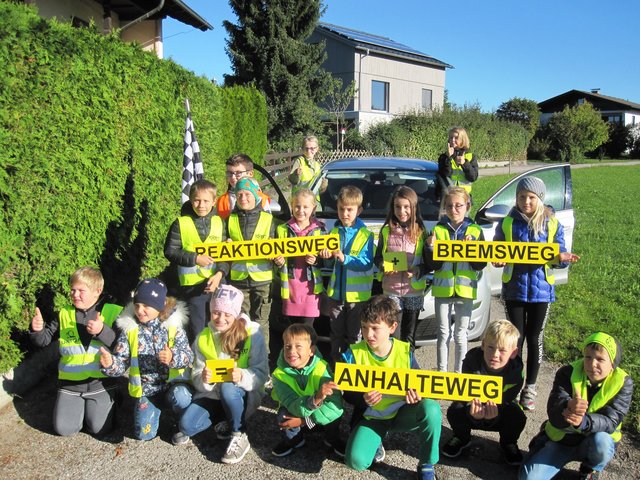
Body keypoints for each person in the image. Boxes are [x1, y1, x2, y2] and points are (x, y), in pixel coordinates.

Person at [493, 176, 580, 410]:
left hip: (542, 291)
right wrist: (497, 259)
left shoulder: (552, 223)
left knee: (534, 339)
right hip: (514, 290)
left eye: (531, 197)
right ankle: (511, 386)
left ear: (540, 199)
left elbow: (561, 256)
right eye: (522, 197)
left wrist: (561, 259)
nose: (526, 202)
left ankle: (530, 388)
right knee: (515, 340)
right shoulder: (508, 222)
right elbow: (497, 248)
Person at [342, 296, 441, 480]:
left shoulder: (404, 352)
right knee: (356, 461)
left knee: (432, 409)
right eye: (364, 327)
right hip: (374, 417)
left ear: (392, 327)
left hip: (403, 413)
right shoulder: (353, 354)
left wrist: (416, 396)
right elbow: (346, 393)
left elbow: (419, 384)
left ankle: (427, 463)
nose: (368, 334)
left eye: (374, 328)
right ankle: (376, 438)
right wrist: (361, 397)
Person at [173, 285, 268, 465]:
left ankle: (239, 433)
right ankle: (225, 419)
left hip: (240, 393)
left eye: (227, 314)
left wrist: (243, 376)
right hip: (212, 394)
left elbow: (262, 375)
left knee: (227, 387)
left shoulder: (252, 334)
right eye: (216, 312)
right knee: (186, 426)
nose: (221, 318)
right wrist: (203, 379)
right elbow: (195, 374)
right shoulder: (203, 337)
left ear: (236, 313)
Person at [520, 332, 634, 480]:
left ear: (612, 364)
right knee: (528, 478)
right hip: (562, 440)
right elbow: (553, 409)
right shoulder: (567, 372)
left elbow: (612, 420)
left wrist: (584, 422)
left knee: (603, 442)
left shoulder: (623, 382)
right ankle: (544, 445)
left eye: (600, 359)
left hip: (593, 442)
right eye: (588, 357)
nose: (593, 364)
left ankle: (590, 468)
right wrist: (567, 406)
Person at [29, 266, 123, 437]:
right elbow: (43, 340)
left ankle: (113, 398)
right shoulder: (64, 313)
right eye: (72, 290)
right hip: (70, 384)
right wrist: (37, 330)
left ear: (97, 291)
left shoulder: (113, 311)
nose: (75, 294)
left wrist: (102, 330)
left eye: (81, 290)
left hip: (100, 383)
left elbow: (121, 345)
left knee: (100, 429)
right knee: (64, 429)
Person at [99, 278, 193, 441]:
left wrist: (173, 357)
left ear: (159, 307)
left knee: (182, 397)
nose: (140, 310)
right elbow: (121, 363)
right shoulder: (130, 330)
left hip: (174, 386)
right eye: (137, 305)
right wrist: (110, 364)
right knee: (144, 434)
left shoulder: (174, 327)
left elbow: (188, 355)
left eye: (146, 306)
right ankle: (155, 409)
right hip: (147, 390)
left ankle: (182, 421)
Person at [442, 319, 526, 466]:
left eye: (502, 350)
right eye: (490, 347)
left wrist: (494, 415)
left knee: (517, 415)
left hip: (499, 411)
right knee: (455, 409)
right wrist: (472, 413)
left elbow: (508, 399)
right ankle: (461, 437)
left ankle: (508, 443)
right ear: (483, 345)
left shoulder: (516, 373)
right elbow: (465, 394)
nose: (494, 354)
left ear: (513, 353)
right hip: (473, 408)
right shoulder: (470, 362)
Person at [424, 186, 487, 372]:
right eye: (449, 206)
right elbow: (432, 265)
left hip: (465, 289)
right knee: (443, 334)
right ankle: (442, 373)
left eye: (459, 205)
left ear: (467, 206)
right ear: (445, 207)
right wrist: (430, 249)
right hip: (443, 289)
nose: (454, 210)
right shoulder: (438, 229)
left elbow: (480, 265)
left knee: (461, 335)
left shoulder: (475, 231)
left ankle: (459, 374)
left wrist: (473, 250)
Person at [164, 179, 229, 342]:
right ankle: (198, 364)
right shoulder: (180, 223)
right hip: (193, 289)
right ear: (191, 200)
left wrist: (220, 274)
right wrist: (195, 258)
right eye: (197, 200)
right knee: (198, 329)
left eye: (206, 201)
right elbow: (170, 251)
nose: (201, 205)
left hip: (216, 284)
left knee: (220, 327)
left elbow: (225, 255)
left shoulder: (220, 223)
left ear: (214, 201)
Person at [270, 324, 345, 458]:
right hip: (297, 411)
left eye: (298, 346)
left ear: (312, 350)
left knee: (333, 412)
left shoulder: (322, 368)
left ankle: (332, 439)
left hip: (314, 416)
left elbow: (336, 407)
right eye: (287, 346)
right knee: (283, 415)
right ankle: (295, 440)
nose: (291, 351)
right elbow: (291, 403)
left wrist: (305, 421)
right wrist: (316, 398)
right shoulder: (278, 375)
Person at [318, 185, 374, 364]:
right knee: (336, 334)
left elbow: (366, 263)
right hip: (336, 293)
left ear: (359, 210)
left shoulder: (366, 234)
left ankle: (352, 371)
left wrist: (345, 258)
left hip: (356, 297)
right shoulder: (334, 231)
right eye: (342, 209)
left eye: (350, 209)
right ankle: (336, 367)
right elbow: (329, 264)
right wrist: (325, 256)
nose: (345, 213)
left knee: (354, 336)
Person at [227, 177, 278, 356]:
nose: (243, 198)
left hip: (262, 279)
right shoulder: (230, 219)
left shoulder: (268, 219)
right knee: (240, 322)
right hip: (238, 280)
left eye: (247, 194)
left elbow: (277, 248)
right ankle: (241, 361)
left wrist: (277, 256)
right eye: (239, 194)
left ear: (256, 196)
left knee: (261, 322)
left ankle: (262, 361)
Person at [374, 185, 427, 350]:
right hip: (392, 290)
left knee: (409, 337)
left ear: (414, 207)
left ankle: (408, 369)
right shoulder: (386, 231)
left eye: (406, 207)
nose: (402, 211)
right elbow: (377, 258)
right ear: (392, 207)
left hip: (414, 290)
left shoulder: (422, 232)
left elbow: (429, 262)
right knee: (393, 336)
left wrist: (419, 269)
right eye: (397, 206)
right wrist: (383, 265)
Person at [273, 188, 325, 328]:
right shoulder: (282, 229)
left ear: (313, 208)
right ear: (291, 205)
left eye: (305, 207)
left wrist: (316, 260)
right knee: (293, 328)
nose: (300, 210)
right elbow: (275, 254)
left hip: (310, 288)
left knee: (308, 329)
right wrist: (278, 261)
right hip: (290, 286)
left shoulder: (321, 230)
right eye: (297, 206)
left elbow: (327, 259)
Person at [217, 153, 271, 220]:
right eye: (230, 173)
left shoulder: (262, 199)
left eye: (238, 173)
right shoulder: (222, 201)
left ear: (250, 174)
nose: (233, 177)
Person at [437, 127, 478, 194]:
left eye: (456, 138)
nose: (452, 140)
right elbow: (445, 174)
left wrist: (464, 164)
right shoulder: (443, 157)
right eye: (451, 137)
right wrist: (448, 158)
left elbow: (473, 177)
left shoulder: (470, 156)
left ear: (463, 140)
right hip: (448, 196)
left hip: (464, 196)